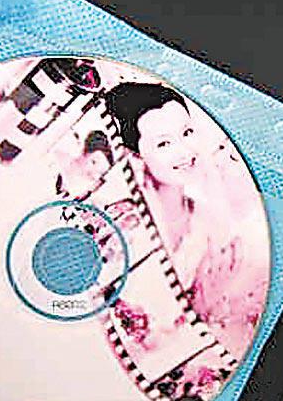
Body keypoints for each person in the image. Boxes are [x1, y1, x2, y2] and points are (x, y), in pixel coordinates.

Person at [106, 82, 269, 358]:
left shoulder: (205, 217)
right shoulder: (129, 228)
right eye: (163, 143)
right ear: (135, 154)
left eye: (187, 133)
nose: (185, 152)